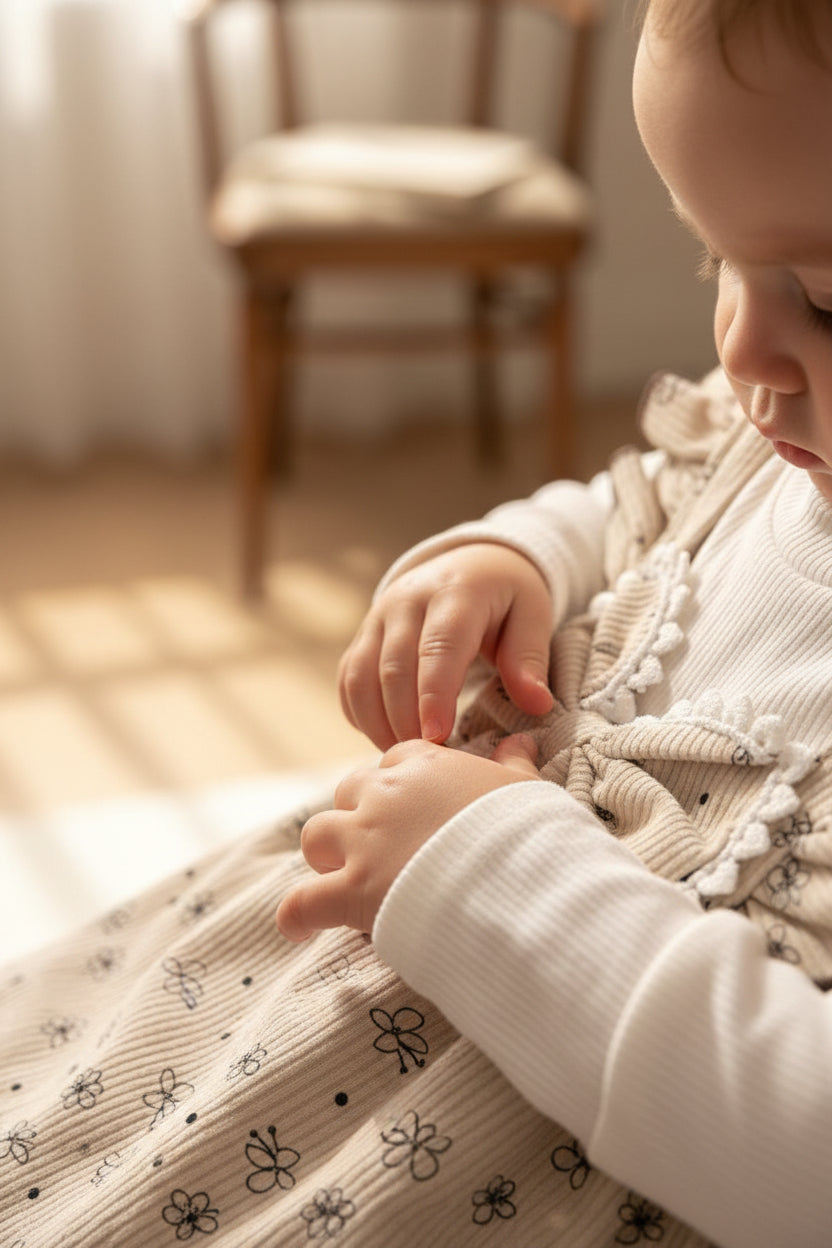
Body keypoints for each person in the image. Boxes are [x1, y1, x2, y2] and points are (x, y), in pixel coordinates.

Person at [3, 2, 832, 1245]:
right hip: (288, 1004)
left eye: (825, 298)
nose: (742, 347)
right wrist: (518, 553)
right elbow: (650, 494)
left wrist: (495, 875)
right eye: (713, 261)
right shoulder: (769, 431)